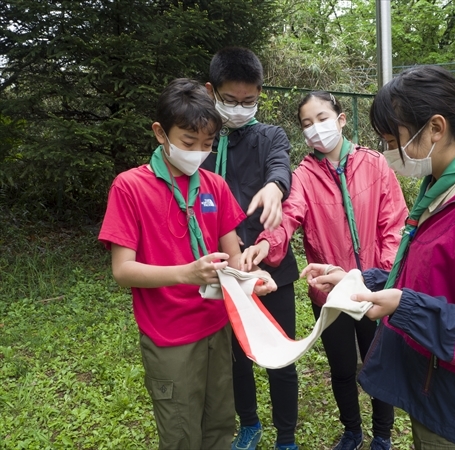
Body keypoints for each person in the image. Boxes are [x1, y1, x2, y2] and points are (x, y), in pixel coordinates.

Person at [301, 65, 455, 450]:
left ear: (435, 128)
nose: (387, 152)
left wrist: (406, 307)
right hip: (434, 380)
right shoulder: (439, 193)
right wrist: (359, 280)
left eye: (392, 139)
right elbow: (425, 277)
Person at [98, 78, 276, 450]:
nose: (198, 152)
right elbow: (122, 270)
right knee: (181, 434)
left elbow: (232, 257)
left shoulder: (214, 185)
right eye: (188, 142)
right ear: (160, 132)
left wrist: (253, 274)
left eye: (208, 145)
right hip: (170, 337)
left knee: (219, 427)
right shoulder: (130, 187)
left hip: (216, 326)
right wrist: (187, 273)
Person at [242, 91, 409, 450]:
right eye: (306, 124)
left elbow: (393, 225)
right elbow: (288, 216)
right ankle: (352, 431)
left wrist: (379, 275)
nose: (316, 129)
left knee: (377, 363)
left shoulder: (375, 163)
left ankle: (382, 436)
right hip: (329, 292)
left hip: (370, 288)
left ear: (341, 118)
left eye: (321, 118)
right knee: (343, 368)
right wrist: (266, 243)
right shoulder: (302, 175)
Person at [202, 47, 300, 450]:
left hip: (270, 266)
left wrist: (276, 187)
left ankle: (287, 437)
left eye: (248, 101)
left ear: (260, 93)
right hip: (224, 268)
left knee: (281, 354)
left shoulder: (270, 136)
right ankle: (249, 423)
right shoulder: (201, 142)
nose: (239, 108)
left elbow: (281, 166)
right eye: (229, 100)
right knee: (236, 356)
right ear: (212, 91)